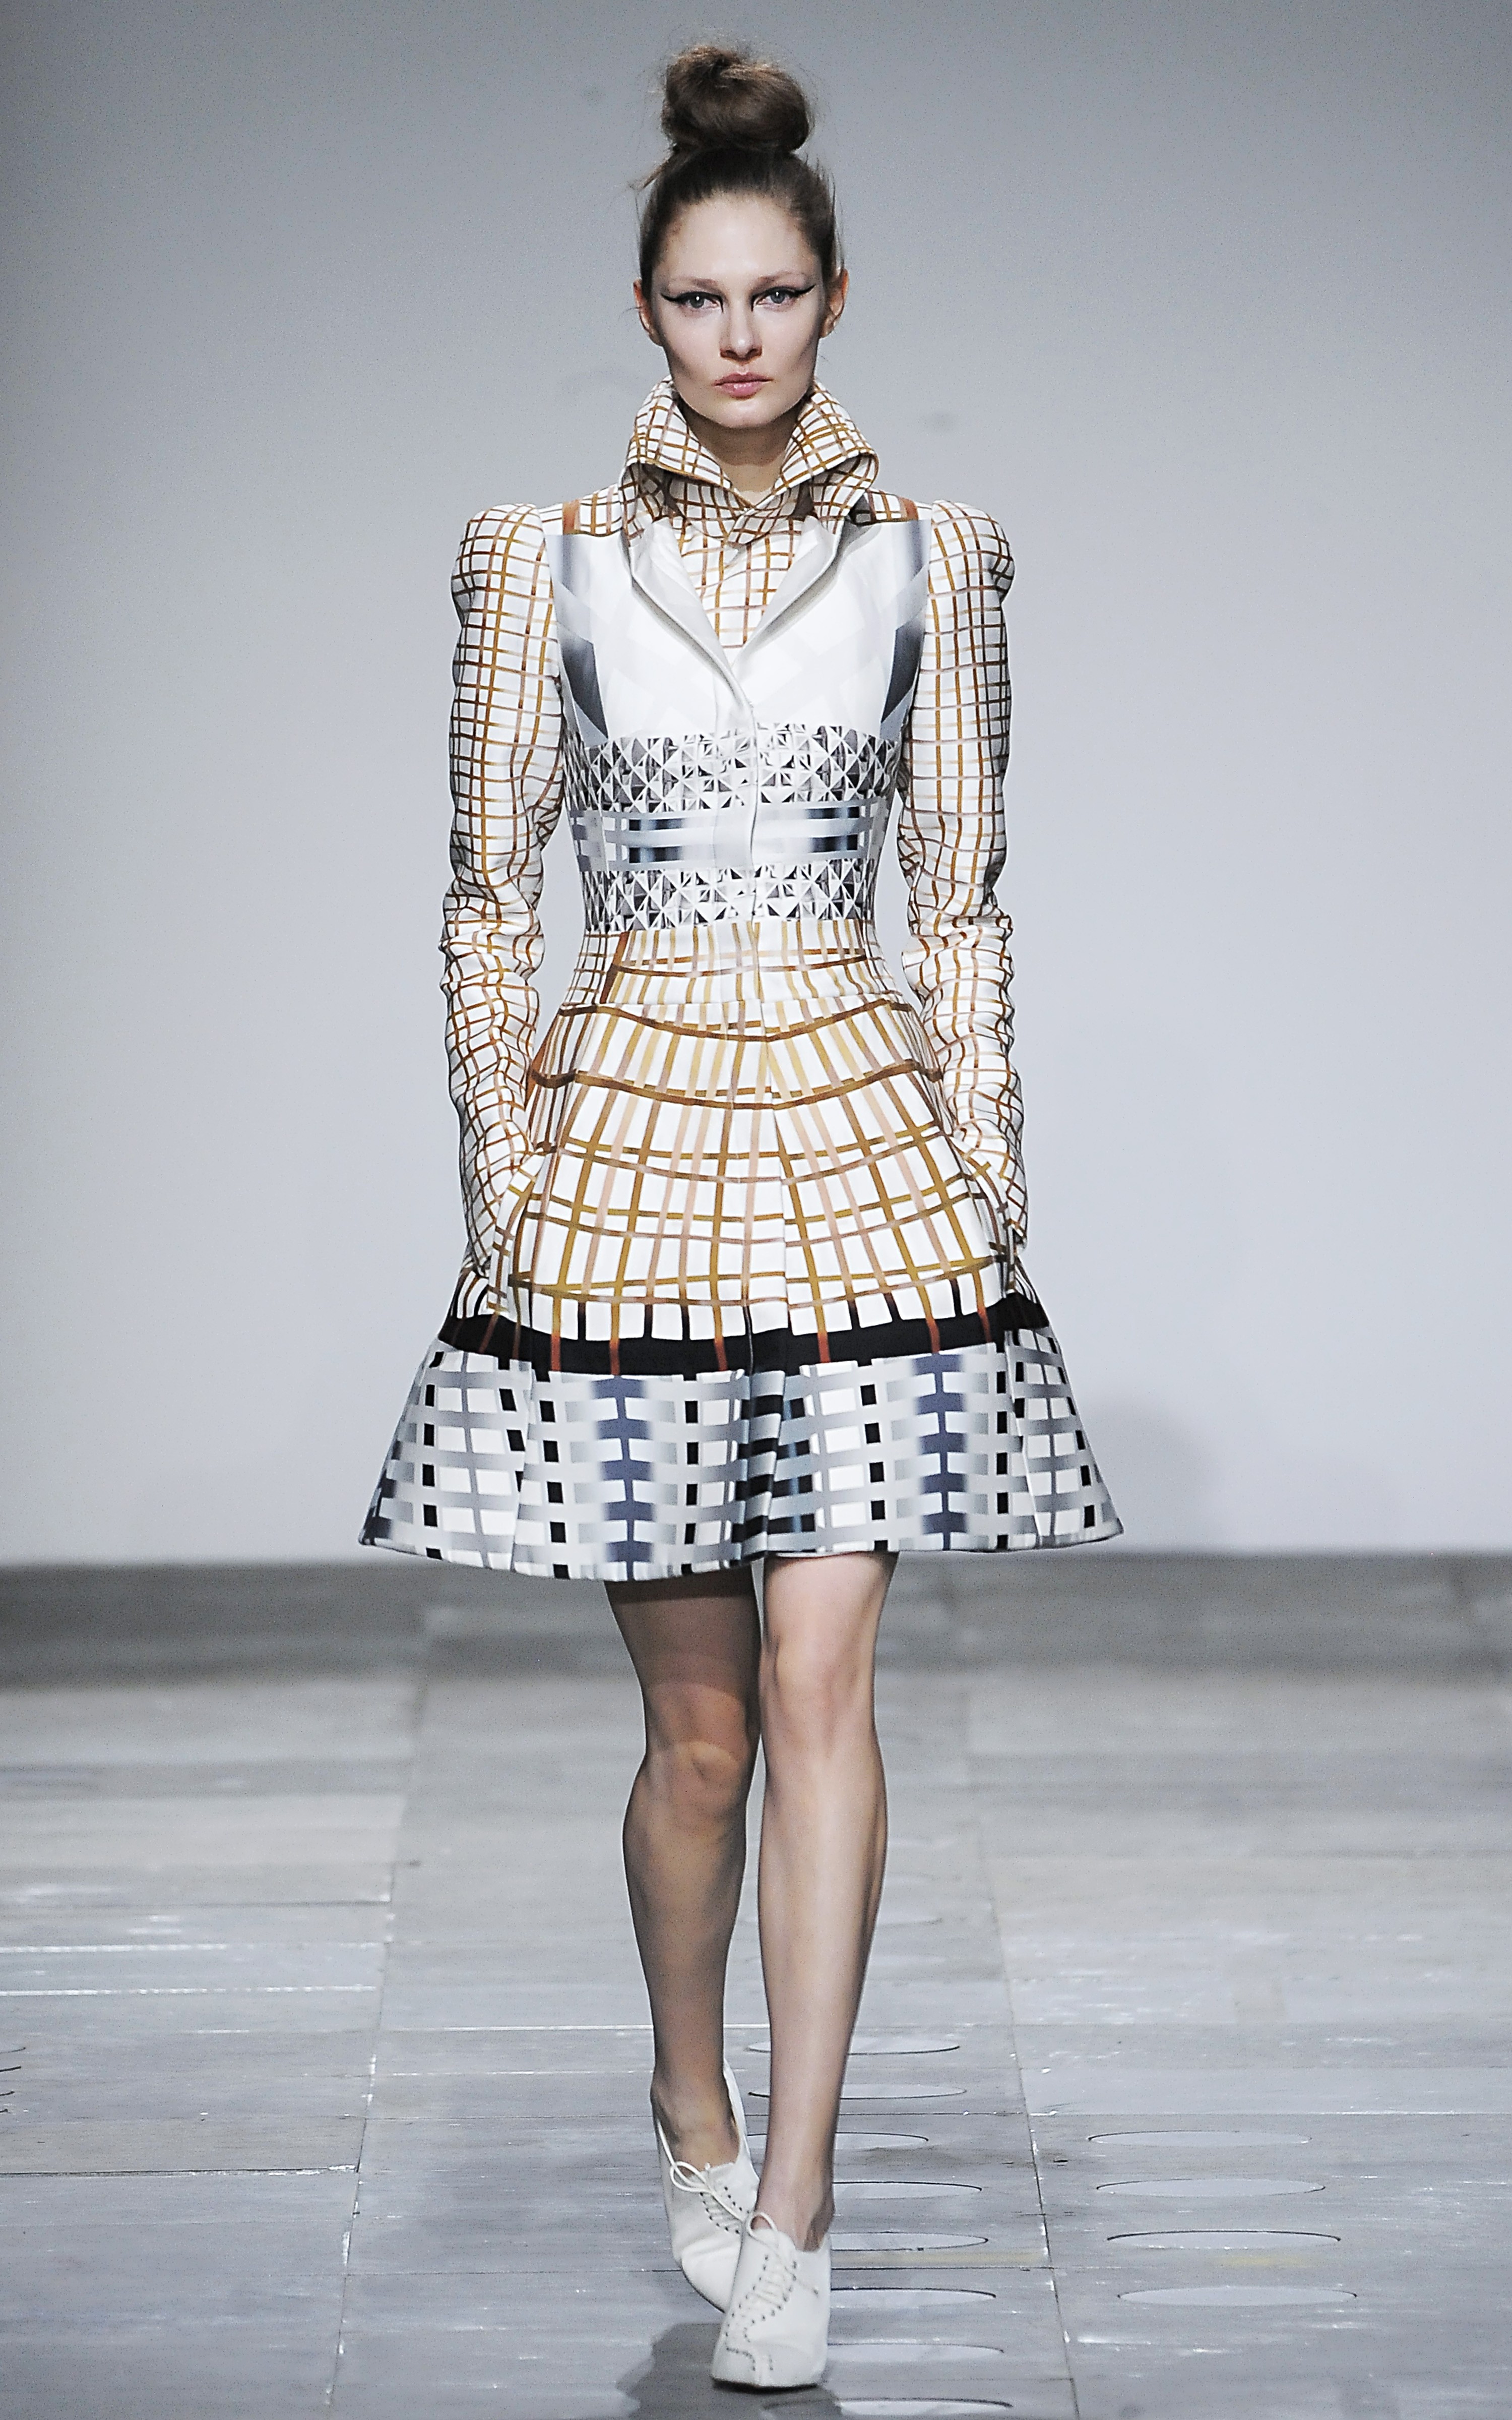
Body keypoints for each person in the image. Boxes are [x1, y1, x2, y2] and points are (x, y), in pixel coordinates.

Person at [362, 41, 1119, 2390]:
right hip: (624, 1162)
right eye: (700, 299)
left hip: (865, 1157)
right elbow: (486, 892)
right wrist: (503, 1180)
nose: (739, 336)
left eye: (775, 294)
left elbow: (960, 896)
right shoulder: (537, 561)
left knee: (824, 1686)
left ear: (835, 299)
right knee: (700, 1739)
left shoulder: (940, 562)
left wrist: (987, 1178)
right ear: (646, 310)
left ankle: (798, 2201)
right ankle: (690, 2104)